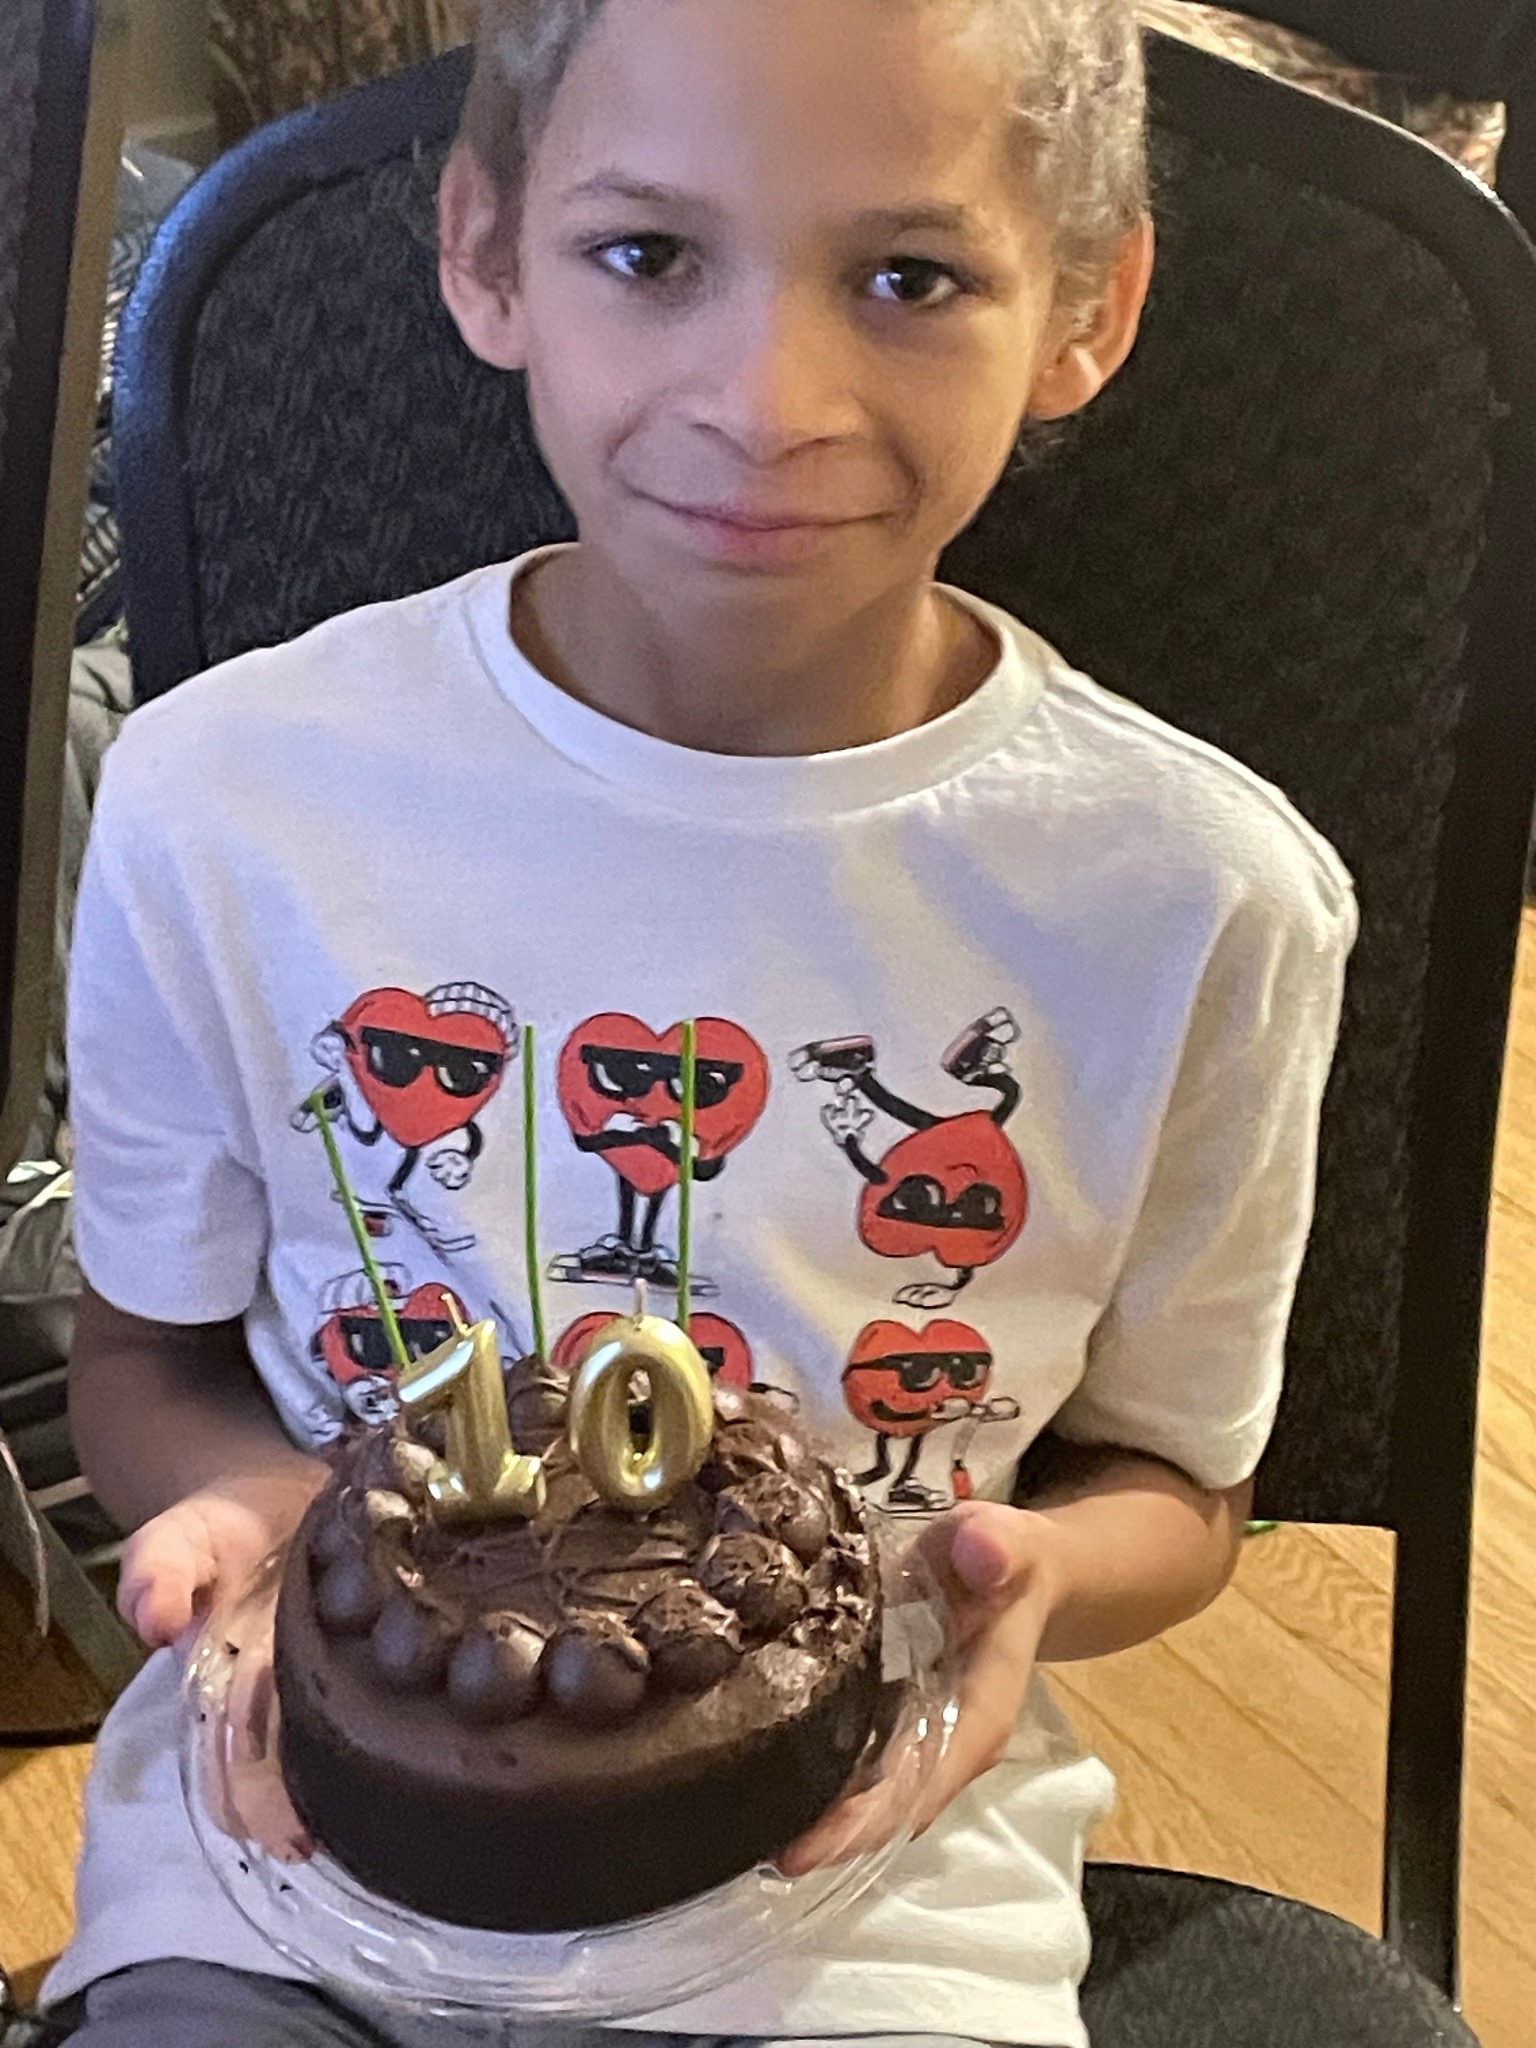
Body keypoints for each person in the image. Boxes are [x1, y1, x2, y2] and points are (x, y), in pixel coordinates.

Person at [46, 0, 1356, 2042]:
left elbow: (1179, 1492)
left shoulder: (1199, 900)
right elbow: (147, 1361)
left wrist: (1037, 1576)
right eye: (648, 254)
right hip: (279, 1855)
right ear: (489, 252)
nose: (767, 399)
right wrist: (257, 1514)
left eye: (907, 277)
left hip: (868, 1893)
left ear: (1088, 309)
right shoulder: (226, 802)